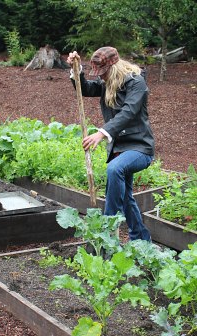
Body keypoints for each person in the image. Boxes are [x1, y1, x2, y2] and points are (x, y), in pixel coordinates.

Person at [67, 46, 155, 241]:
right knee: (125, 196)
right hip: (120, 149)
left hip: (140, 147)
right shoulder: (107, 82)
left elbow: (129, 112)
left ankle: (107, 228)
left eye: (103, 72)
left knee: (115, 170)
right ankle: (141, 239)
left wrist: (102, 133)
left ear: (113, 67)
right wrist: (76, 69)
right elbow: (87, 89)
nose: (101, 77)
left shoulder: (136, 83)